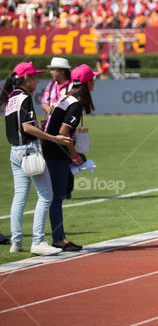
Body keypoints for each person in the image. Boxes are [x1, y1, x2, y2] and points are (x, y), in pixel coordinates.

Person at [5, 62, 72, 255]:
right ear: (26, 78)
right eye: (34, 76)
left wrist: (39, 129)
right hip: (29, 150)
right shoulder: (25, 97)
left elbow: (19, 126)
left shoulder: (11, 97)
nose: (37, 79)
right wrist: (53, 137)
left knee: (19, 197)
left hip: (15, 151)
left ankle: (16, 241)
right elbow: (26, 127)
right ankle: (38, 241)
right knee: (46, 195)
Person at [42, 64, 97, 252]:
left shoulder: (66, 98)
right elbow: (63, 131)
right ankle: (58, 239)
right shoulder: (75, 103)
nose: (95, 82)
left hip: (53, 150)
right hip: (56, 152)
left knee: (53, 196)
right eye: (93, 79)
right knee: (56, 196)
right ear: (88, 82)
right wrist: (75, 157)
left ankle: (54, 237)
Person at [41, 57, 73, 197]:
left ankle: (66, 190)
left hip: (66, 127)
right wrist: (48, 109)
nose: (51, 72)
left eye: (54, 69)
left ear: (63, 71)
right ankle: (54, 188)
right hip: (50, 128)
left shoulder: (71, 86)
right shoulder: (51, 85)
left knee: (66, 160)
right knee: (51, 159)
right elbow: (44, 101)